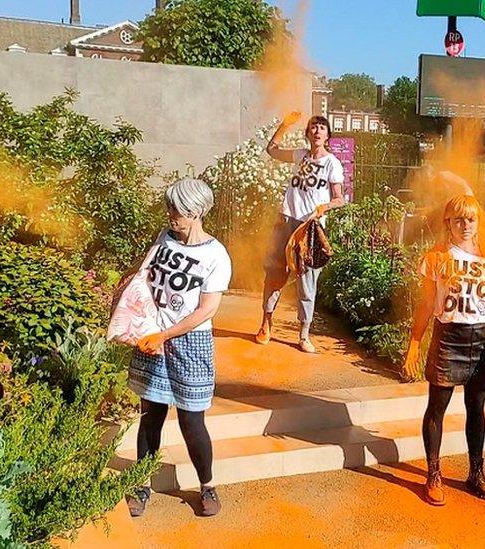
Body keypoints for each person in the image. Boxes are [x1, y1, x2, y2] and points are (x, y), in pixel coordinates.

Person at [123, 178, 232, 518]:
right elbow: (146, 276)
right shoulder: (165, 238)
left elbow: (205, 310)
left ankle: (207, 485)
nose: (169, 214)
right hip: (153, 335)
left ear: (196, 212)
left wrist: (165, 335)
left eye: (176, 209)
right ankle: (141, 484)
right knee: (151, 414)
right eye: (169, 207)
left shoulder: (216, 255)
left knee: (191, 420)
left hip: (188, 341)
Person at [404, 194, 485, 507]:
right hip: (449, 337)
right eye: (458, 219)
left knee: (477, 408)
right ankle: (433, 473)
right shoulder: (437, 257)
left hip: (481, 339)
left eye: (471, 219)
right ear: (447, 223)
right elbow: (424, 304)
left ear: (478, 223)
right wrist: (414, 344)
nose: (465, 225)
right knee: (438, 407)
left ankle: (476, 473)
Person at [257, 112, 345, 353]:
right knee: (275, 274)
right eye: (313, 127)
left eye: (321, 128)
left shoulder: (332, 163)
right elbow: (272, 150)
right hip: (286, 220)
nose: (317, 131)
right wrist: (283, 125)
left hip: (310, 229)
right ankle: (266, 323)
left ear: (327, 135)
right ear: (307, 133)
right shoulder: (299, 155)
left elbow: (340, 199)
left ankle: (304, 333)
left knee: (308, 281)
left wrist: (323, 207)